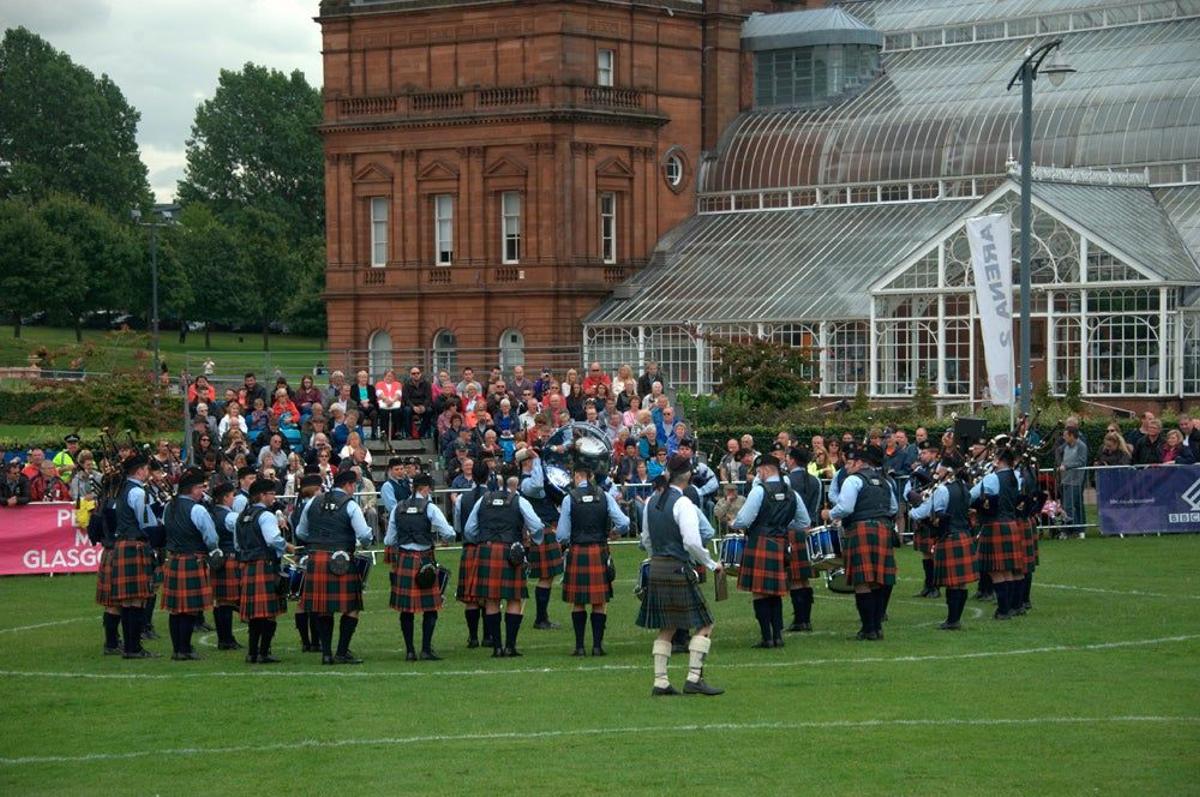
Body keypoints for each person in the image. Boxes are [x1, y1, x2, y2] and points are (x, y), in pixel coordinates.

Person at [637, 455, 724, 696]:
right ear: (688, 475)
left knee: (668, 626)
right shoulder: (683, 503)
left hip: (657, 566)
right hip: (677, 567)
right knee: (706, 622)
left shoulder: (650, 501)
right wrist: (710, 562)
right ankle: (694, 678)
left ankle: (661, 681)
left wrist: (657, 558)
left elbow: (646, 539)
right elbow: (692, 542)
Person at [295, 469, 374, 665]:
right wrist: (365, 542)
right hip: (341, 559)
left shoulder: (313, 502)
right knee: (352, 607)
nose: (354, 489)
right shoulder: (350, 505)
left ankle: (326, 654)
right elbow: (364, 535)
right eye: (353, 486)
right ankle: (341, 652)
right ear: (348, 485)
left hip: (317, 558)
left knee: (323, 608)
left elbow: (300, 532)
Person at [731, 454, 810, 648]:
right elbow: (804, 522)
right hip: (781, 542)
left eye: (759, 471)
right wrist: (782, 525)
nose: (759, 475)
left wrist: (734, 522)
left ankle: (767, 637)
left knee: (760, 592)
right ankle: (778, 636)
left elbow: (744, 520)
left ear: (765, 470)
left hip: (760, 542)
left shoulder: (759, 491)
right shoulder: (792, 493)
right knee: (775, 592)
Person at [464, 472, 546, 657]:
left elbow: (469, 529)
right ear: (513, 485)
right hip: (511, 552)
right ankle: (510, 646)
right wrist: (536, 540)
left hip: (487, 550)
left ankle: (497, 648)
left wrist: (483, 541)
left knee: (492, 599)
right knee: (514, 599)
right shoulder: (519, 501)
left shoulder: (483, 500)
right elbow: (536, 525)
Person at [557, 459, 630, 656]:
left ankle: (579, 647)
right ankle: (597, 647)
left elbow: (562, 535)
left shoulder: (568, 498)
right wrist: (614, 532)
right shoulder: (605, 496)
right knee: (599, 602)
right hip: (599, 550)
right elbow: (624, 523)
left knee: (578, 601)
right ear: (591, 476)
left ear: (577, 476)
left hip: (578, 551)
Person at [826, 445, 897, 641]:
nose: (846, 467)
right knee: (877, 581)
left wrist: (830, 514)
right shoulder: (885, 482)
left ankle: (868, 629)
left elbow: (846, 508)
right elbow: (893, 508)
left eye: (849, 463)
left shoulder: (853, 480)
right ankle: (877, 627)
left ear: (859, 463)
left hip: (861, 530)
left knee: (862, 582)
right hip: (883, 529)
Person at [385, 473, 456, 661]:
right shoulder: (429, 507)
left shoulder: (398, 508)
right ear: (425, 489)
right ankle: (425, 649)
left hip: (405, 560)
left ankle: (409, 651)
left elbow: (388, 539)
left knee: (406, 609)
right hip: (424, 559)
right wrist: (441, 539)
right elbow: (449, 533)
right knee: (430, 607)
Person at [909, 454, 977, 630]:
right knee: (960, 582)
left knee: (952, 581)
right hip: (964, 535)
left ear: (947, 470)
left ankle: (952, 620)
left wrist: (913, 509)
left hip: (949, 536)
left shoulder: (942, 490)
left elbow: (924, 512)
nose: (936, 470)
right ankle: (955, 619)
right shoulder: (963, 487)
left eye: (939, 467)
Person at [107, 456, 164, 658]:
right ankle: (133, 648)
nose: (148, 473)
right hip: (135, 545)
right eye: (146, 469)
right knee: (137, 600)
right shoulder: (138, 492)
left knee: (130, 600)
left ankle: (132, 646)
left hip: (123, 544)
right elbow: (145, 522)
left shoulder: (123, 490)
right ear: (139, 471)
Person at [161, 472, 219, 660]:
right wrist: (213, 550)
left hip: (174, 559)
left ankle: (177, 648)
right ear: (193, 489)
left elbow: (164, 528)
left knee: (175, 609)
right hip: (192, 559)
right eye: (201, 488)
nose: (203, 492)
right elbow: (211, 538)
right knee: (189, 608)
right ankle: (184, 649)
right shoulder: (198, 510)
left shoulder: (169, 506)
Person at [234, 478, 292, 664]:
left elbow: (237, 544)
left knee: (254, 614)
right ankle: (264, 652)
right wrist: (287, 546)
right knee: (269, 613)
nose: (274, 497)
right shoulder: (266, 515)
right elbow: (272, 539)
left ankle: (252, 653)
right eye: (272, 494)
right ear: (262, 495)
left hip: (248, 565)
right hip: (265, 565)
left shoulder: (242, 516)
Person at [970, 447, 1027, 619]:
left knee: (995, 570)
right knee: (1008, 570)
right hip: (1010, 523)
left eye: (995, 458)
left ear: (1000, 460)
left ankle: (1003, 610)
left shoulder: (992, 478)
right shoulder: (1015, 476)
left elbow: (971, 495)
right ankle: (1010, 608)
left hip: (995, 524)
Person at [517, 447, 563, 630]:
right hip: (541, 530)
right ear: (525, 462)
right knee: (545, 576)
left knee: (548, 576)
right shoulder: (527, 483)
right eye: (531, 460)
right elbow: (537, 485)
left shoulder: (535, 479)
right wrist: (536, 460)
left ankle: (542, 617)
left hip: (547, 529)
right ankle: (541, 618)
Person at [454, 461, 491, 648]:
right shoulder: (492, 497)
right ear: (488, 475)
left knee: (470, 597)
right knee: (487, 595)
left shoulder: (462, 498)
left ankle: (473, 637)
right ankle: (487, 637)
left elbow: (458, 527)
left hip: (469, 548)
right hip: (487, 549)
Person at [785, 447, 822, 632]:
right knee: (804, 578)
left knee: (795, 578)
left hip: (792, 531)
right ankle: (805, 619)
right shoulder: (816, 481)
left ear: (792, 460)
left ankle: (800, 620)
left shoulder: (787, 481)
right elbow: (815, 508)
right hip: (810, 531)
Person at [905, 440, 942, 599]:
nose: (921, 455)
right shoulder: (919, 470)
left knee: (933, 553)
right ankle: (928, 585)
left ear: (934, 454)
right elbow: (908, 488)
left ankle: (936, 587)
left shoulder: (940, 469)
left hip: (932, 515)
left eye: (925, 453)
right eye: (921, 453)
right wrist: (912, 497)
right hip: (921, 513)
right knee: (925, 553)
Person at [207, 482, 242, 650]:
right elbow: (240, 537)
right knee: (227, 601)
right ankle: (226, 639)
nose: (233, 498)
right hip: (230, 557)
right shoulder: (230, 517)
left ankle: (224, 638)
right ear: (226, 498)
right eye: (232, 495)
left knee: (220, 601)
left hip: (217, 558)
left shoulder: (212, 513)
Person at [1058, 428, 1088, 537]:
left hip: (1076, 480)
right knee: (1070, 505)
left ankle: (1069, 530)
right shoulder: (1065, 446)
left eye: (1065, 435)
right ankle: (1077, 529)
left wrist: (1067, 466)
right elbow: (1059, 453)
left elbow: (1081, 461)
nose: (1064, 437)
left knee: (1070, 506)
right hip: (1066, 479)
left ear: (1071, 436)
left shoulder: (1081, 446)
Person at [402, 365, 434, 439]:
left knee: (429, 411)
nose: (416, 375)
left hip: (423, 405)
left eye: (417, 373)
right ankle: (409, 434)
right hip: (411, 406)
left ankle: (421, 433)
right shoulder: (406, 385)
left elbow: (428, 397)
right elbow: (406, 399)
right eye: (413, 373)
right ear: (410, 375)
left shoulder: (426, 384)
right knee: (406, 410)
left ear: (420, 374)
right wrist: (413, 407)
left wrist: (424, 406)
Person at [375, 368, 404, 440]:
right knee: (383, 412)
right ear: (384, 376)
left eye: (391, 376)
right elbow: (379, 393)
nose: (389, 378)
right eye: (388, 376)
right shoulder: (379, 384)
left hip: (394, 403)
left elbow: (398, 394)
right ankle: (383, 433)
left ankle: (397, 432)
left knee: (398, 412)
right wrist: (386, 400)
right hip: (383, 404)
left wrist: (392, 401)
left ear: (394, 377)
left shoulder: (398, 384)